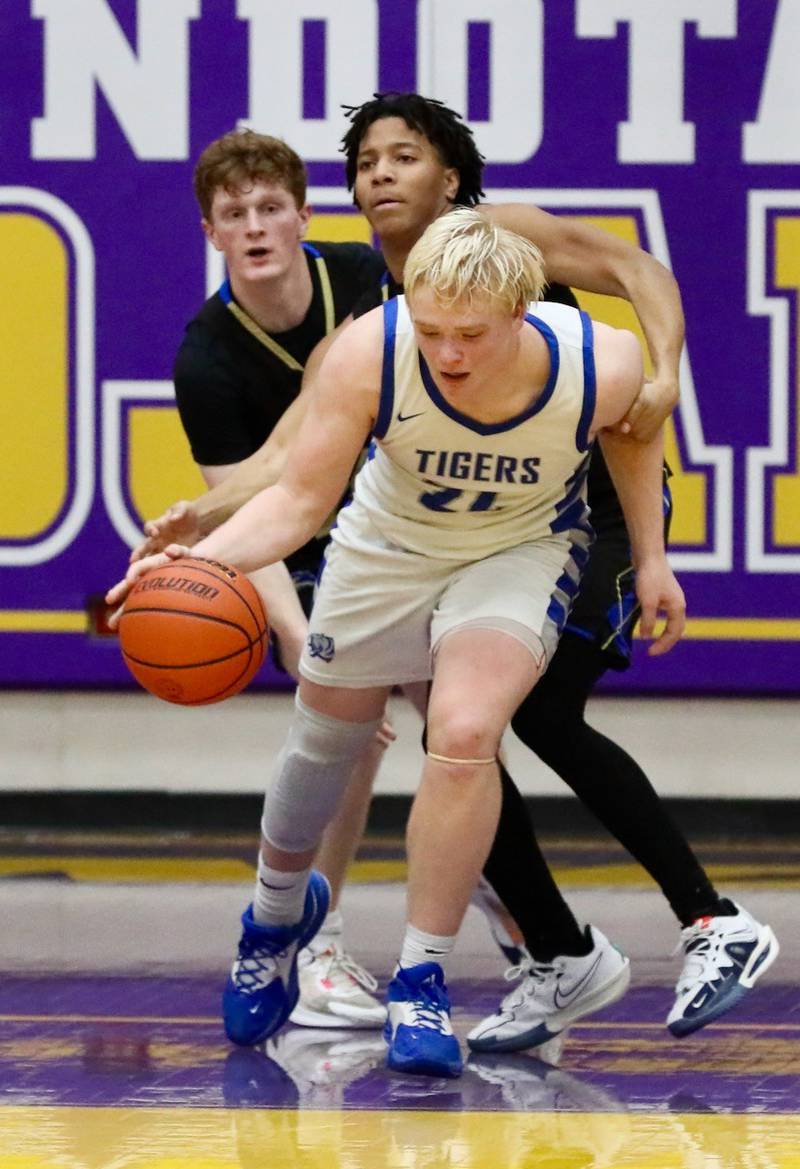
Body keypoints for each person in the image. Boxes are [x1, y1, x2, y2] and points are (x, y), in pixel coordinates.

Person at [140, 94, 779, 1047]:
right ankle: (556, 950)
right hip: (461, 528)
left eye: (405, 156)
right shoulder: (381, 296)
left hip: (576, 511)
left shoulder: (500, 239)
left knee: (526, 712)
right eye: (367, 162)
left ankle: (710, 919)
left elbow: (634, 269)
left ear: (450, 175)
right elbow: (305, 440)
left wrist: (666, 380)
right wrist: (208, 518)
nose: (382, 174)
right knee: (459, 731)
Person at [167, 128, 392, 1030]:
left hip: (402, 520)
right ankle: (315, 937)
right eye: (234, 215)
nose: (255, 226)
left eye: (270, 208)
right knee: (354, 729)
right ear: (212, 235)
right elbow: (244, 523)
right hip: (300, 546)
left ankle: (516, 919)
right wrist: (296, 639)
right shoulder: (208, 360)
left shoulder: (367, 279)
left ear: (304, 213)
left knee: (469, 725)